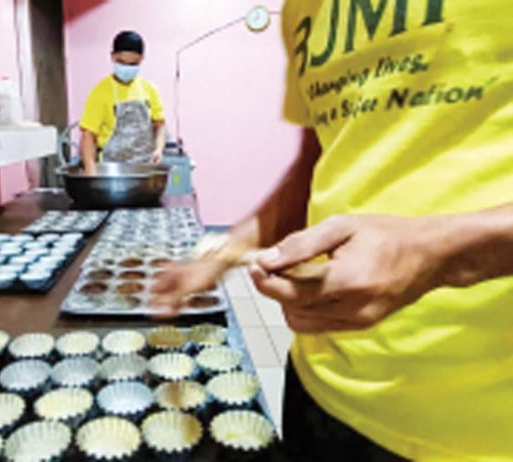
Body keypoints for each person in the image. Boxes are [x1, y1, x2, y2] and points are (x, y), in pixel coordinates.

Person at [152, 1, 513, 460]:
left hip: (474, 425)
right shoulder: (300, 10)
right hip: (318, 385)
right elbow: (317, 165)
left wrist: (442, 250)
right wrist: (222, 253)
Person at [78, 30, 166, 175]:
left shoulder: (150, 90)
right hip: (112, 171)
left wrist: (158, 149)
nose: (127, 67)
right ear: (112, 57)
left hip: (145, 170)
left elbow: (160, 125)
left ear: (142, 59)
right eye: (121, 62)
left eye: (133, 64)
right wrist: (90, 169)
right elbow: (88, 135)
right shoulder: (100, 92)